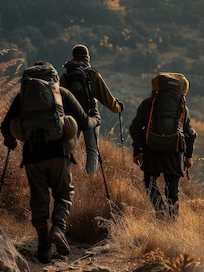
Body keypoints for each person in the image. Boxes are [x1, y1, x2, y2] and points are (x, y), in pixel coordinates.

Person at [0, 61, 101, 264]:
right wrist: (95, 119)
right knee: (64, 193)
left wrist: (11, 141)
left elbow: (5, 126)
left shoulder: (23, 97)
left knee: (39, 199)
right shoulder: (61, 93)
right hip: (59, 153)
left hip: (32, 157)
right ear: (53, 76)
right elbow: (83, 122)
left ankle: (44, 247)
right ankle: (58, 228)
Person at [129, 75, 197, 220]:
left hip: (152, 150)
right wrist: (188, 156)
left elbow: (136, 129)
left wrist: (140, 149)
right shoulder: (182, 107)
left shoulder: (148, 104)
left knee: (149, 182)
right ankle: (172, 222)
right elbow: (190, 134)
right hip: (175, 151)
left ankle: (160, 212)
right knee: (172, 190)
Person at [60, 44, 124, 175]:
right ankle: (90, 178)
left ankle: (67, 176)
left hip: (71, 118)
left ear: (73, 56)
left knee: (68, 148)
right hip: (90, 117)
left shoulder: (66, 76)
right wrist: (118, 108)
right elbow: (107, 99)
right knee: (92, 150)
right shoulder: (92, 74)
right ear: (87, 57)